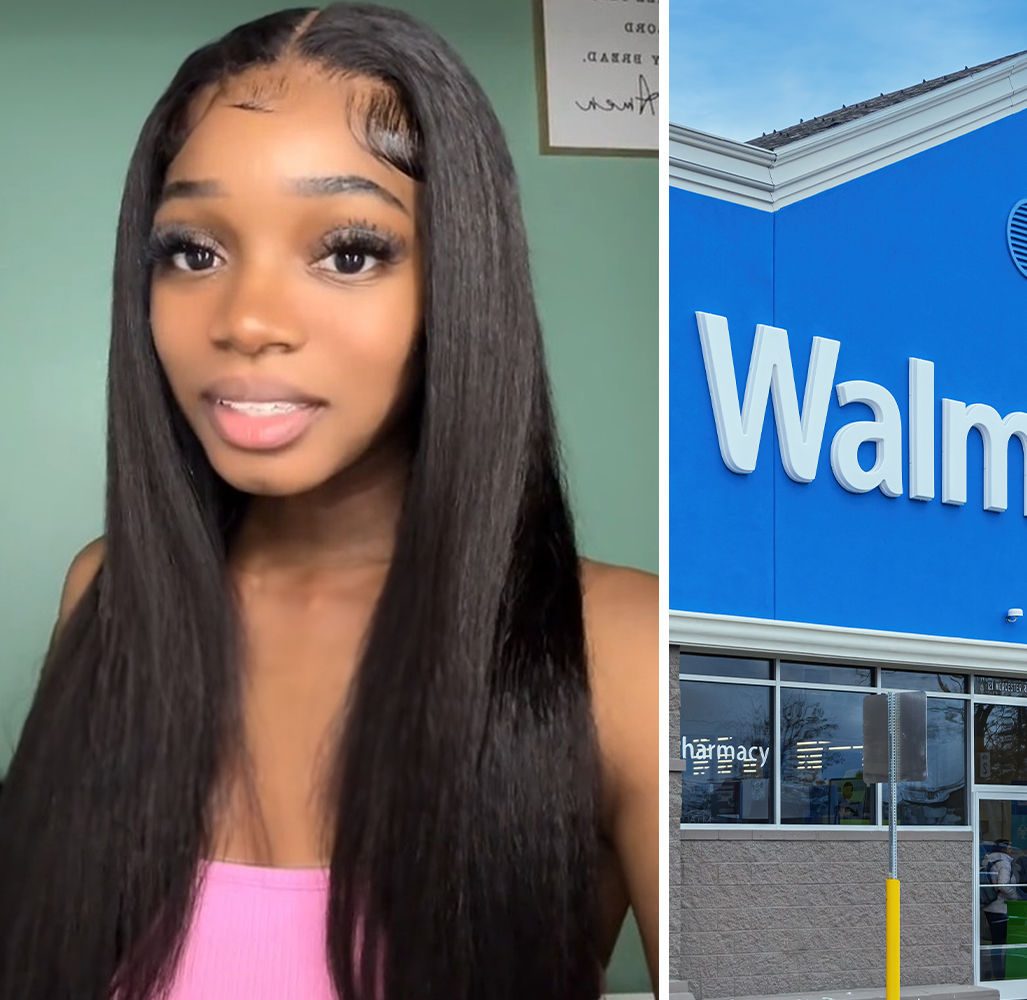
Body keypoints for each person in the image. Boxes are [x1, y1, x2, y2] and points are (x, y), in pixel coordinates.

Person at [0, 6, 658, 1000]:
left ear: (459, 281)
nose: (248, 321)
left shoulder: (626, 653)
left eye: (349, 251)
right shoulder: (104, 590)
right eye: (193, 251)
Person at [981, 837, 1019, 980]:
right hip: (1000, 908)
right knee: (1001, 943)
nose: (1011, 850)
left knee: (996, 943)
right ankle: (1000, 974)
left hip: (990, 907)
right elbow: (1003, 885)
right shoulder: (1004, 863)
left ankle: (996, 972)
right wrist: (1015, 897)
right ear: (1003, 849)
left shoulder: (991, 861)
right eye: (1009, 847)